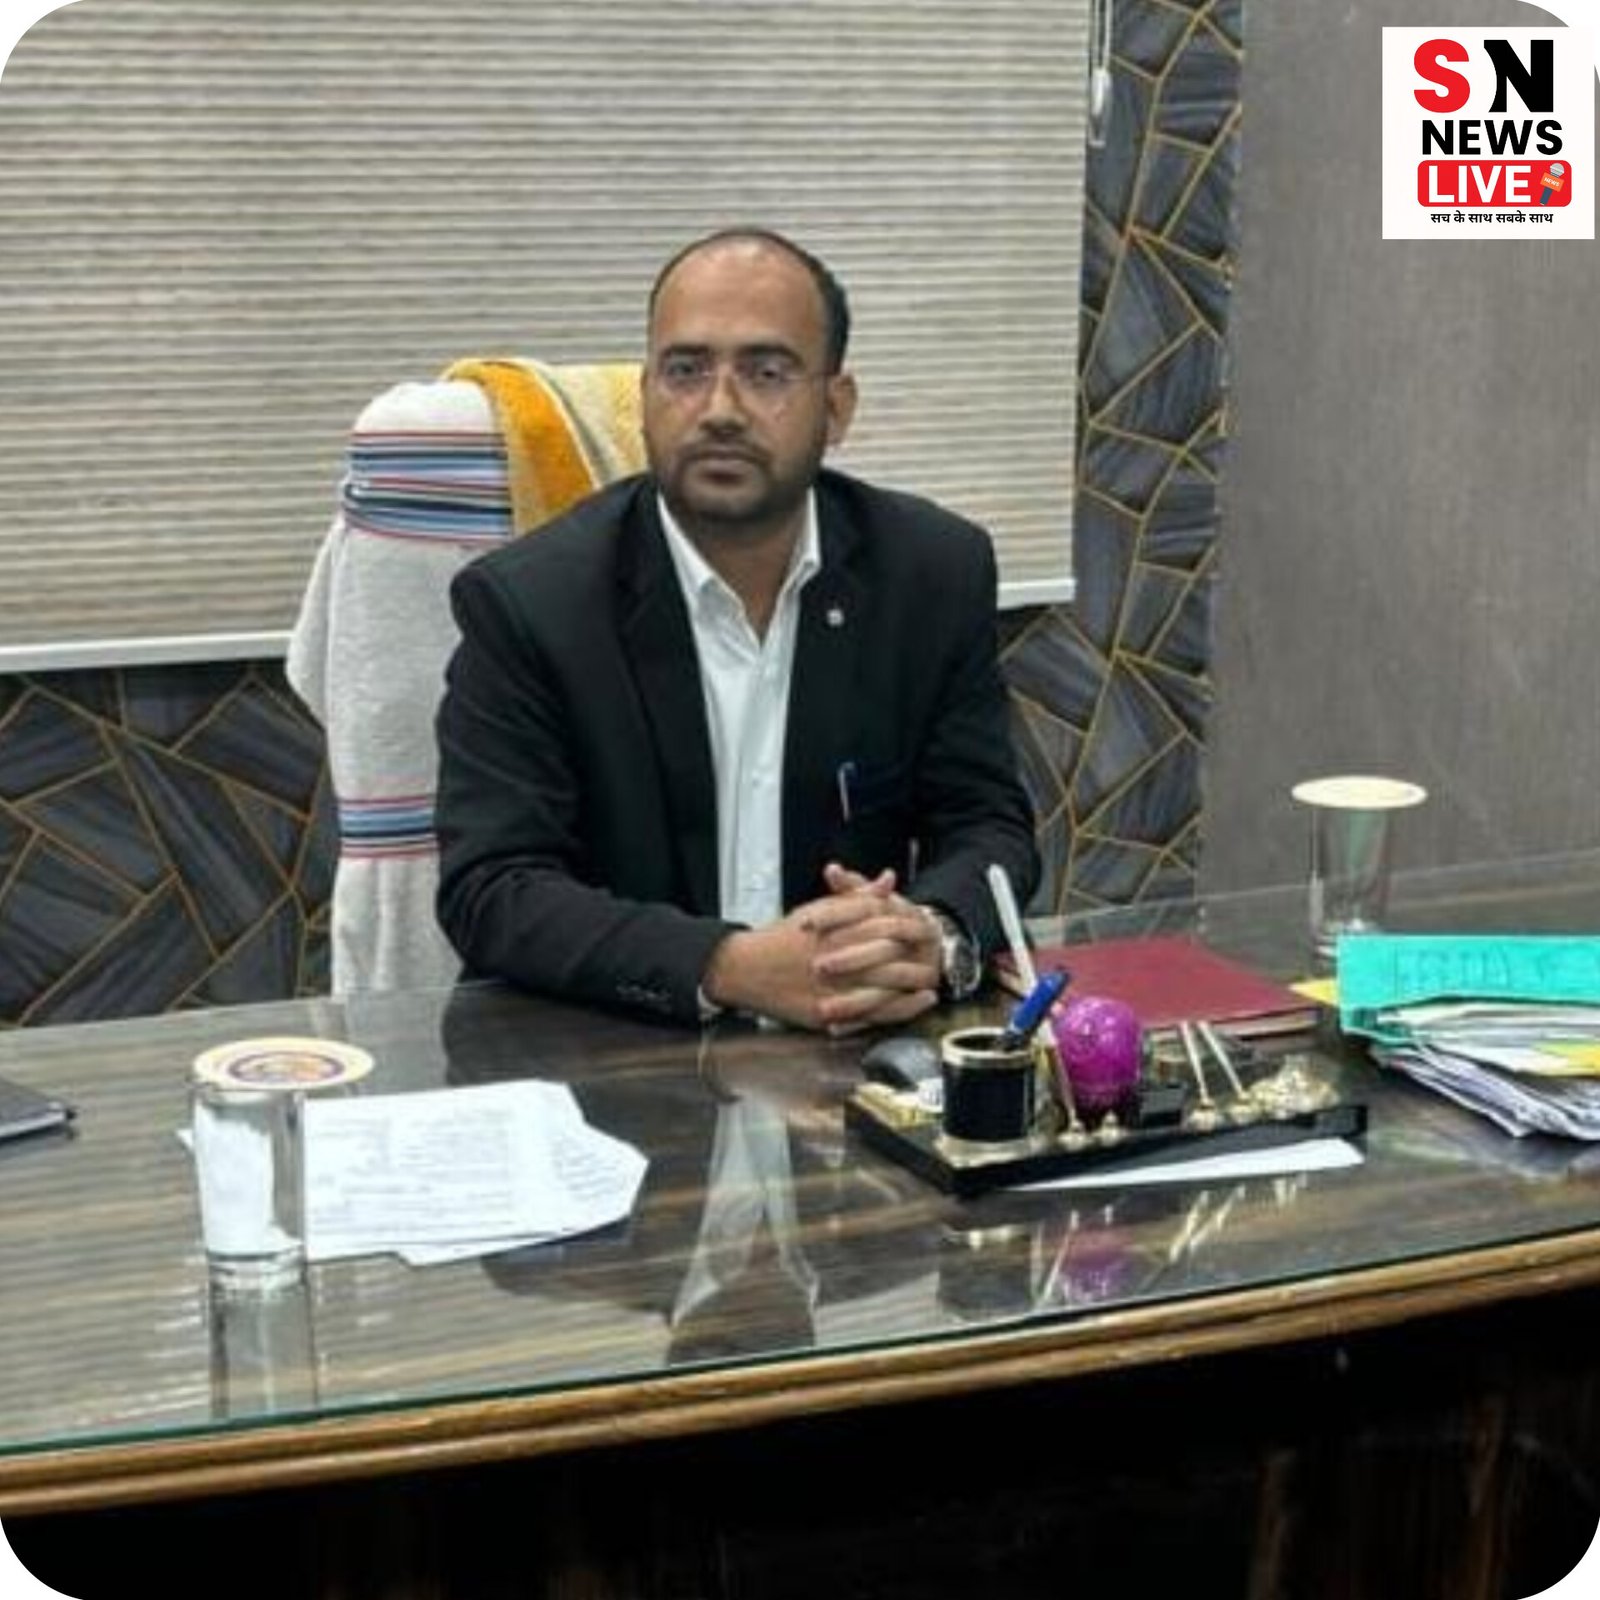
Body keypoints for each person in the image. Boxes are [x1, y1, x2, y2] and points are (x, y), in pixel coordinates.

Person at [434, 227, 1039, 1031]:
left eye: (767, 372)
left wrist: (931, 934)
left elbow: (988, 827)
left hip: (857, 1053)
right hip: (615, 1054)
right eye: (685, 370)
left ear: (836, 408)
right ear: (645, 395)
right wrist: (726, 967)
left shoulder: (930, 573)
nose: (720, 410)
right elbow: (493, 888)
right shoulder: (530, 603)